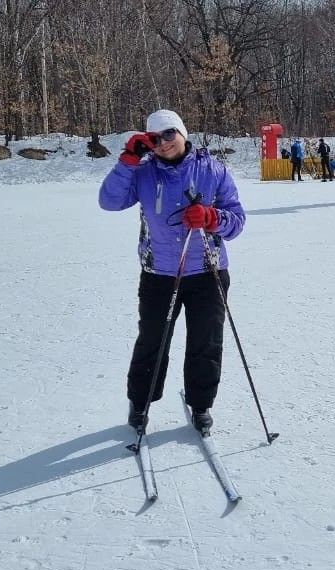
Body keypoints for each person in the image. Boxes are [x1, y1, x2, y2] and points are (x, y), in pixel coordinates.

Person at [98, 109, 246, 434]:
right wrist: (127, 161)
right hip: (159, 274)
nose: (164, 143)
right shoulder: (143, 172)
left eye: (169, 134)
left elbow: (236, 222)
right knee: (153, 341)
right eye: (155, 138)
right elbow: (109, 201)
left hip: (207, 271)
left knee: (205, 342)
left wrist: (211, 218)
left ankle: (201, 405)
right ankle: (140, 403)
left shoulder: (214, 170)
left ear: (182, 133)